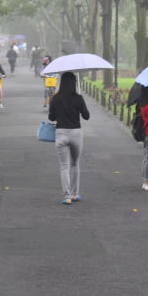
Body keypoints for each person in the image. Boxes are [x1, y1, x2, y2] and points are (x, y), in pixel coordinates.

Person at [47, 71, 90, 204]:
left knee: (64, 166)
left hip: (61, 133)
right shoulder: (78, 98)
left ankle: (67, 196)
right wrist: (80, 103)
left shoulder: (56, 98)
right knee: (75, 163)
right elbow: (86, 116)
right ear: (74, 83)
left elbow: (51, 117)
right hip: (76, 133)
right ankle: (75, 193)